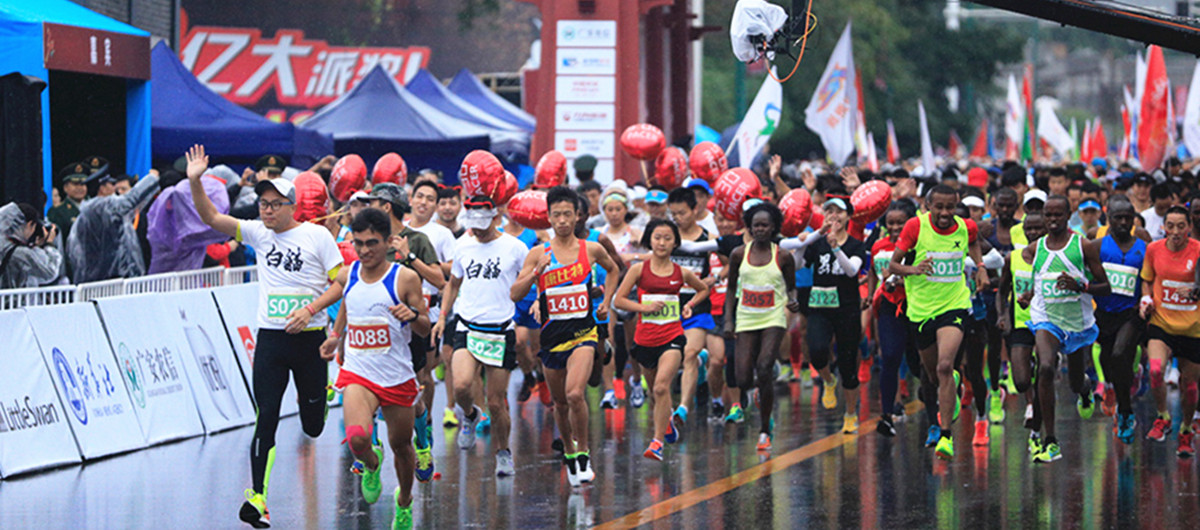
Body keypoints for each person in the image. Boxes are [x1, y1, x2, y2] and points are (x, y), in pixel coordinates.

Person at [184, 145, 344, 528]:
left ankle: (322, 396)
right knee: (266, 416)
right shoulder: (256, 233)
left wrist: (309, 310)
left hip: (309, 339)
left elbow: (340, 283)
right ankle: (257, 497)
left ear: (291, 206)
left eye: (274, 204)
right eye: (263, 203)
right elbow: (210, 216)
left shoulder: (317, 237)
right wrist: (194, 181)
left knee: (313, 427)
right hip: (271, 341)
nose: (266, 210)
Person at [319, 208, 429, 530]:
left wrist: (412, 316)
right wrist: (336, 336)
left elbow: (425, 327)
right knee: (357, 437)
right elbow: (349, 305)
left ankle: (405, 501)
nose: (365, 251)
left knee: (402, 446)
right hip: (358, 371)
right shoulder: (348, 274)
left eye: (372, 243)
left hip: (395, 374)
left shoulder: (404, 278)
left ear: (389, 242)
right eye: (359, 243)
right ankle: (371, 462)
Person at [511, 186, 619, 488]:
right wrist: (535, 275)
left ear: (578, 216)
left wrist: (607, 301)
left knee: (575, 394)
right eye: (556, 215)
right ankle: (570, 452)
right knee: (559, 403)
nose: (562, 220)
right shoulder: (537, 254)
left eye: (567, 214)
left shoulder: (591, 249)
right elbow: (514, 293)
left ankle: (583, 451)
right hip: (551, 337)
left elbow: (614, 270)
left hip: (583, 332)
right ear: (548, 217)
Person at [889, 185, 989, 461]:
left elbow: (974, 242)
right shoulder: (914, 227)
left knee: (945, 365)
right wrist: (913, 269)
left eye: (950, 207)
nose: (945, 213)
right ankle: (951, 384)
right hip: (921, 310)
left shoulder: (965, 226)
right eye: (939, 207)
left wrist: (980, 268)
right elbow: (893, 266)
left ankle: (946, 436)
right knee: (932, 376)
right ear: (928, 205)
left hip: (954, 305)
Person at [433, 196, 529, 475]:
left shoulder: (515, 248)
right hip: (468, 326)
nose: (478, 230)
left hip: (500, 330)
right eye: (473, 224)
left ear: (496, 218)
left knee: (497, 402)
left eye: (483, 224)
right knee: (462, 385)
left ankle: (503, 451)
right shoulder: (463, 244)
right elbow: (453, 283)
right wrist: (442, 317)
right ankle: (471, 415)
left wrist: (533, 296)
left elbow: (525, 281)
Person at [1018, 195, 1110, 463]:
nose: (1053, 220)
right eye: (1048, 215)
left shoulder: (1083, 246)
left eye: (1058, 215)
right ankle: (1050, 439)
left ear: (1068, 216)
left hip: (1077, 323)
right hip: (1046, 318)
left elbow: (1106, 287)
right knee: (1045, 367)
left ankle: (1085, 390)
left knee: (1075, 382)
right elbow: (1040, 277)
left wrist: (1081, 287)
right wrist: (1028, 296)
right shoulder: (1036, 248)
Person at [613, 218, 709, 460]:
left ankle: (656, 442)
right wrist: (642, 308)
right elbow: (618, 300)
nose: (662, 243)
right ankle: (666, 422)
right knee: (657, 394)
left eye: (668, 238)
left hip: (672, 337)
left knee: (660, 386)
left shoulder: (681, 272)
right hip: (645, 339)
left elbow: (703, 289)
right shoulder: (639, 270)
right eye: (657, 237)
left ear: (675, 242)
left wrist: (689, 305)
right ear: (649, 240)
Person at [725, 202, 798, 450]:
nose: (760, 230)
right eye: (756, 225)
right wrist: (728, 320)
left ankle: (765, 429)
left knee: (764, 367)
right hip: (746, 316)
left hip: (773, 317)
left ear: (774, 227)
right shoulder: (738, 254)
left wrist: (794, 300)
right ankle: (758, 391)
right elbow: (732, 289)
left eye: (765, 225)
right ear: (749, 227)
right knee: (743, 377)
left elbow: (791, 287)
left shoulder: (784, 256)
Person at [795, 197, 868, 434]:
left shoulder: (856, 245)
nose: (834, 216)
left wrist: (836, 246)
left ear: (848, 217)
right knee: (816, 351)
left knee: (848, 365)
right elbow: (797, 265)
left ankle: (850, 413)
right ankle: (828, 380)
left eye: (839, 212)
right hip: (819, 308)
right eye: (829, 211)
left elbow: (851, 271)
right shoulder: (817, 243)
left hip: (847, 310)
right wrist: (803, 244)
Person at [1138, 205, 1200, 457]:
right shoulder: (1153, 249)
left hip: (1193, 329)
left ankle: (1185, 430)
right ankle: (1162, 417)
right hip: (1162, 324)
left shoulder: (1197, 251)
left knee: (1191, 387)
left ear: (1189, 227)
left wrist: (1195, 292)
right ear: (1163, 227)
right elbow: (1147, 279)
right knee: (1155, 370)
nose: (1175, 232)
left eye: (1180, 226)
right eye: (1170, 226)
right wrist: (1145, 299)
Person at [1090, 196, 1148, 444]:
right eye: (1118, 218)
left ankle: (1125, 411)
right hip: (1103, 314)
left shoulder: (1145, 247)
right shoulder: (1097, 246)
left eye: (1128, 218)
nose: (1124, 222)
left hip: (1131, 314)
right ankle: (1118, 390)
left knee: (1119, 353)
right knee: (1108, 358)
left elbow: (1151, 278)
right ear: (1108, 219)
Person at [406, 180, 458, 429]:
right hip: (401, 308)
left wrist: (428, 263)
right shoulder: (400, 230)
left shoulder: (442, 234)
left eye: (430, 199)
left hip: (432, 307)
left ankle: (424, 423)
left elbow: (454, 268)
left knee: (425, 369)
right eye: (420, 197)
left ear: (435, 206)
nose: (424, 202)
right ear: (411, 199)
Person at [665, 187, 718, 428]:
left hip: (697, 307)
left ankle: (684, 407)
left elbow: (728, 262)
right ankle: (699, 361)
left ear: (695, 210)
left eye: (682, 213)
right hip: (668, 308)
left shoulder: (707, 238)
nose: (678, 218)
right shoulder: (667, 237)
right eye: (674, 214)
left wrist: (714, 278)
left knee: (688, 354)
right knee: (672, 359)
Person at [997, 212, 1048, 454]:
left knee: (1044, 371)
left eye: (1039, 229)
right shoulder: (1013, 258)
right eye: (1030, 229)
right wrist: (1002, 315)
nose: (1034, 233)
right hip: (1020, 324)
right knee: (1021, 380)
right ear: (1023, 230)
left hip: (1047, 323)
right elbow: (1001, 290)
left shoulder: (1052, 259)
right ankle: (1032, 403)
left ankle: (1037, 425)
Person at [868, 201, 919, 437]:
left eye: (901, 222)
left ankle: (933, 398)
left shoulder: (919, 245)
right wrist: (870, 294)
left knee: (918, 364)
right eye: (891, 223)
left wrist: (904, 277)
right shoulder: (879, 245)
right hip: (889, 307)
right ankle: (886, 415)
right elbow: (872, 271)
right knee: (889, 357)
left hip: (917, 307)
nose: (896, 227)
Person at [0, 203, 63, 290]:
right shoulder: (22, 253)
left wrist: (35, 247)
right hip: (18, 302)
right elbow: (50, 272)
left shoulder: (4, 243)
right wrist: (49, 244)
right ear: (30, 224)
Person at [47, 163, 89, 239]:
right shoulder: (57, 212)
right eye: (75, 184)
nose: (80, 188)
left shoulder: (93, 207)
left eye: (82, 184)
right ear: (65, 188)